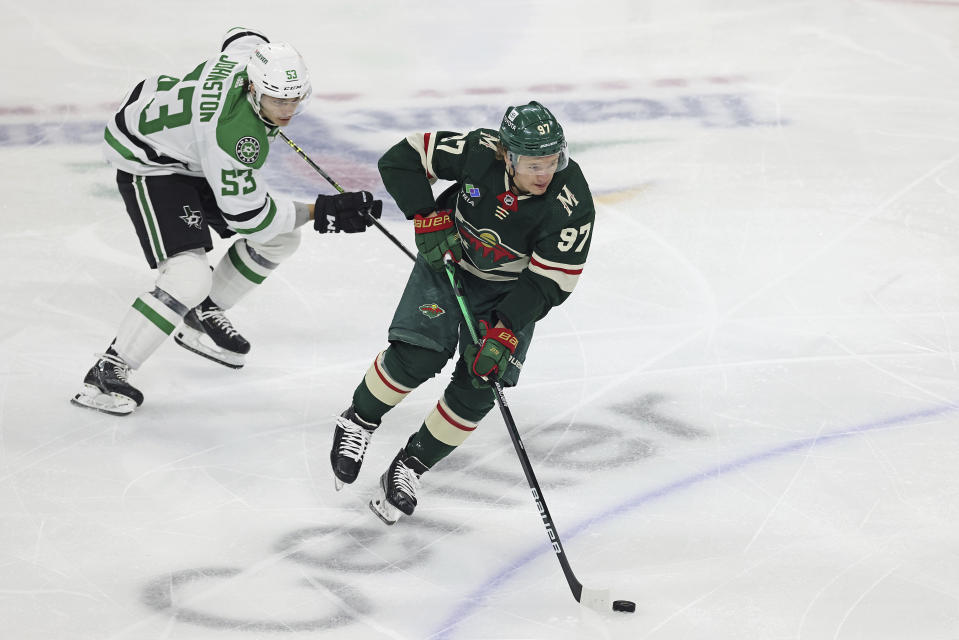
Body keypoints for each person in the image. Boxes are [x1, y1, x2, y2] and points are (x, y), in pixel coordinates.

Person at [71, 27, 382, 416]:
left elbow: (242, 36)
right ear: (253, 89)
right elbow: (251, 217)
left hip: (186, 144)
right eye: (276, 100)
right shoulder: (236, 138)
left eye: (293, 99)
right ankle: (107, 370)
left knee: (282, 241)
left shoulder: (248, 60)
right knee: (188, 277)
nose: (286, 111)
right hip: (147, 159)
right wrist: (322, 211)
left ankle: (202, 313)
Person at [330, 101, 595, 524]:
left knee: (481, 381)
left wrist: (507, 328)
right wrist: (425, 217)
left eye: (551, 162)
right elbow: (401, 160)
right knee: (419, 354)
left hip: (511, 292)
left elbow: (552, 281)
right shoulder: (477, 150)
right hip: (449, 263)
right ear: (507, 155)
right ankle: (358, 421)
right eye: (532, 164)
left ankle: (409, 467)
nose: (544, 174)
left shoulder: (571, 200)